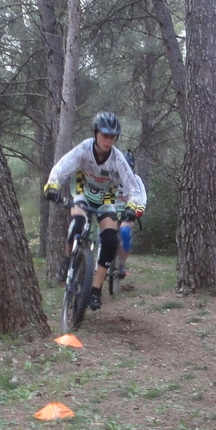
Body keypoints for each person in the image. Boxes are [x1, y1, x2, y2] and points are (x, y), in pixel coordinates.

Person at [43, 112, 147, 310]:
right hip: (82, 192)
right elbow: (62, 167)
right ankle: (66, 261)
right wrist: (52, 185)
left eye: (112, 137)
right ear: (95, 133)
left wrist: (132, 207)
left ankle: (96, 290)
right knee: (78, 223)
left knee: (110, 240)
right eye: (104, 136)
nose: (108, 141)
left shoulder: (117, 158)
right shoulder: (84, 148)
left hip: (106, 199)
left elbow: (133, 187)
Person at [116, 149, 144, 279]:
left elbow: (142, 196)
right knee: (105, 235)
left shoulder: (136, 180)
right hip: (111, 209)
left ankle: (122, 265)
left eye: (130, 167)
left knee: (125, 233)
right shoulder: (112, 177)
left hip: (128, 210)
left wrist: (139, 210)